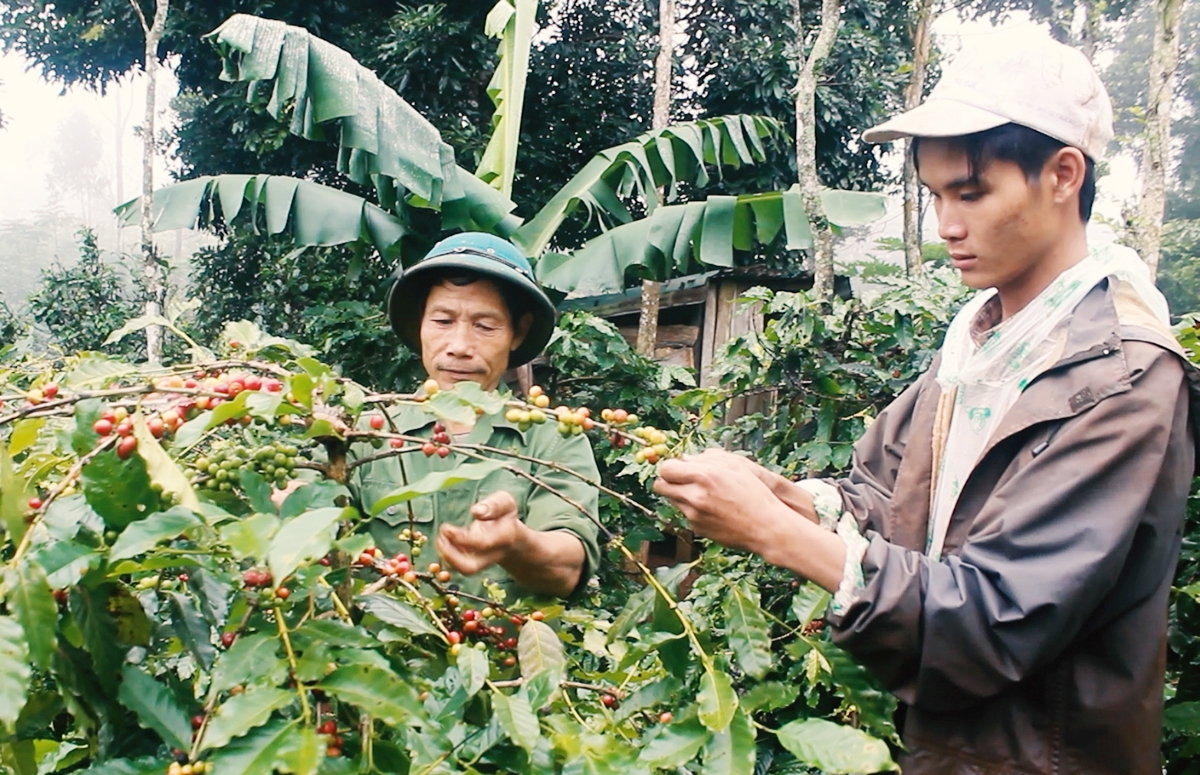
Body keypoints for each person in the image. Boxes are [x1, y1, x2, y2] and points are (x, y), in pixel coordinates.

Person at [653, 36, 1200, 774]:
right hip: (951, 748)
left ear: (1063, 175)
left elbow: (994, 617)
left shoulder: (1124, 374)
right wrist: (787, 500)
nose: (946, 224)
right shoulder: (978, 343)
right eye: (937, 195)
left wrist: (771, 534)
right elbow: (882, 494)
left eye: (971, 192)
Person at [353, 232, 602, 600]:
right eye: (442, 321)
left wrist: (517, 544)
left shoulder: (552, 438)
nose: (459, 347)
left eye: (485, 326)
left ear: (518, 332)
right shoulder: (364, 431)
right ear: (420, 324)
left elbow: (568, 566)